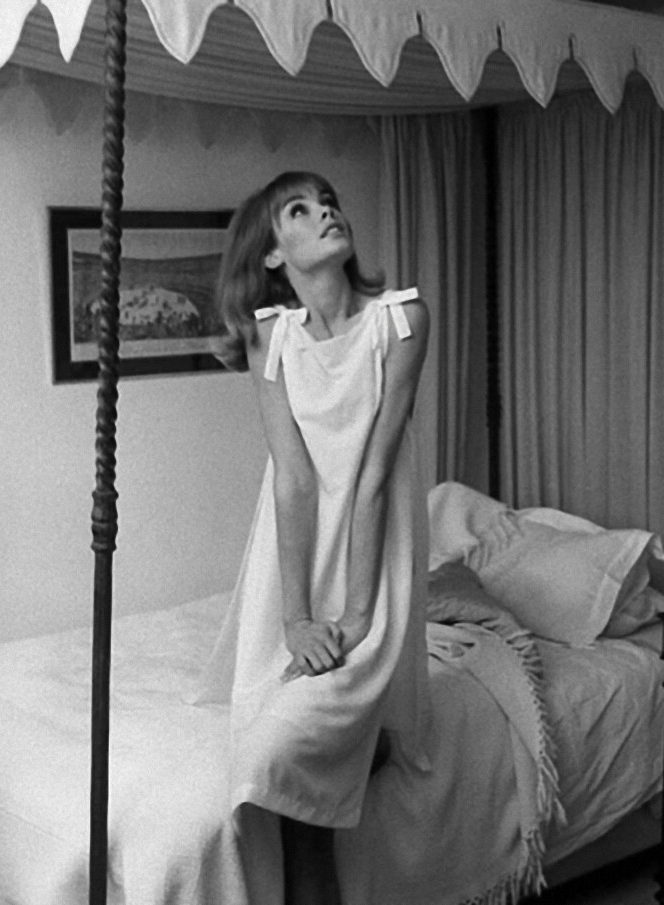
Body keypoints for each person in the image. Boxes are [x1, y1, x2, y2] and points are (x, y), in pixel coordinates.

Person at [198, 171, 431, 904]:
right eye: (299, 210)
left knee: (285, 748)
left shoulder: (401, 320)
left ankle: (368, 740)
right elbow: (294, 480)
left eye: (329, 201)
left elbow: (372, 477)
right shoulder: (271, 335)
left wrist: (358, 618)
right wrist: (295, 619)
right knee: (275, 758)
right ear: (273, 254)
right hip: (294, 560)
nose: (327, 211)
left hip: (374, 559)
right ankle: (363, 751)